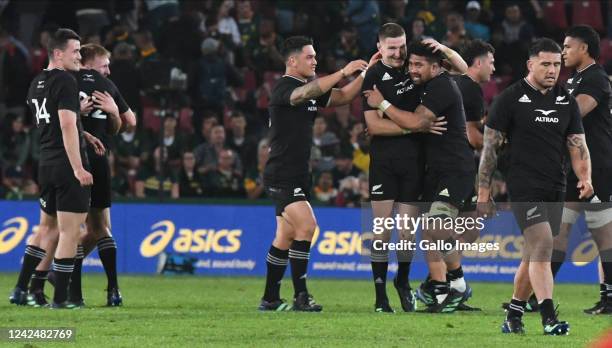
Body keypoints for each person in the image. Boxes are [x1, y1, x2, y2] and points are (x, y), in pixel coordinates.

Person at [478, 38, 592, 335]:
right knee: (544, 245)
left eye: (556, 64)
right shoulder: (509, 98)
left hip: (555, 186)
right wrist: (483, 191)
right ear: (530, 65)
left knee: (532, 255)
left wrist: (585, 176)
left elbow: (578, 145)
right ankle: (548, 318)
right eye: (546, 64)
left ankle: (514, 314)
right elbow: (489, 150)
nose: (553, 69)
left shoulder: (566, 100)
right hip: (523, 185)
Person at [258, 35, 377, 312]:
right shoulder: (284, 87)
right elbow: (303, 95)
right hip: (282, 173)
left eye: (315, 56)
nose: (315, 60)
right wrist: (343, 71)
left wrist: (365, 73)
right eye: (309, 56)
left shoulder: (309, 87)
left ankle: (270, 298)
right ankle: (302, 296)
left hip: (298, 173)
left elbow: (345, 96)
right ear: (292, 61)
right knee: (308, 226)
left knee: (285, 237)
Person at [365, 40, 474, 313]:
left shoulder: (441, 85)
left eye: (419, 65)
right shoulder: (425, 82)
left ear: (436, 67)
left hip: (454, 169)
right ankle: (438, 289)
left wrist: (383, 104)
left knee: (436, 227)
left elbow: (418, 122)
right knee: (429, 233)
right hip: (433, 170)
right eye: (410, 63)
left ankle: (457, 283)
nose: (412, 69)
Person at [26, 43, 137, 307]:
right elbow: (129, 123)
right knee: (89, 229)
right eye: (104, 64)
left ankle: (44, 286)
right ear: (87, 63)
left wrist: (97, 118)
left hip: (61, 160)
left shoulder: (60, 82)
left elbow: (50, 121)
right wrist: (112, 112)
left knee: (68, 229)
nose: (108, 70)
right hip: (85, 161)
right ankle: (94, 291)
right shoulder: (100, 85)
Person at [9, 28, 93, 309]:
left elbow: (53, 121)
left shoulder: (36, 83)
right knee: (71, 231)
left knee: (46, 228)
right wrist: (79, 167)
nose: (79, 56)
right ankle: (61, 299)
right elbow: (67, 126)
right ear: (58, 53)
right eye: (76, 51)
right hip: (66, 163)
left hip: (45, 163)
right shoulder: (66, 81)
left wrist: (76, 116)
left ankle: (21, 289)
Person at [556, 25, 612, 315]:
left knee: (604, 235)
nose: (563, 51)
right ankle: (538, 295)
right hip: (573, 167)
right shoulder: (574, 79)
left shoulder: (596, 79)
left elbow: (576, 112)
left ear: (584, 49)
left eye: (567, 46)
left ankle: (609, 297)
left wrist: (540, 115)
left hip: (598, 167)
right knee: (559, 230)